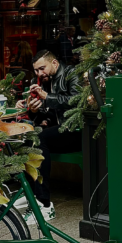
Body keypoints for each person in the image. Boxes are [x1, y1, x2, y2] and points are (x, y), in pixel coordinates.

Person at [15, 49, 81, 221]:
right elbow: (42, 117)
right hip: (55, 131)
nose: (39, 73)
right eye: (36, 70)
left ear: (54, 63)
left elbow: (77, 100)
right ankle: (32, 194)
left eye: (42, 68)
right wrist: (33, 110)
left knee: (39, 137)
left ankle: (44, 204)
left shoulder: (70, 73)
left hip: (75, 130)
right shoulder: (40, 81)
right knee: (27, 138)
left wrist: (48, 96)